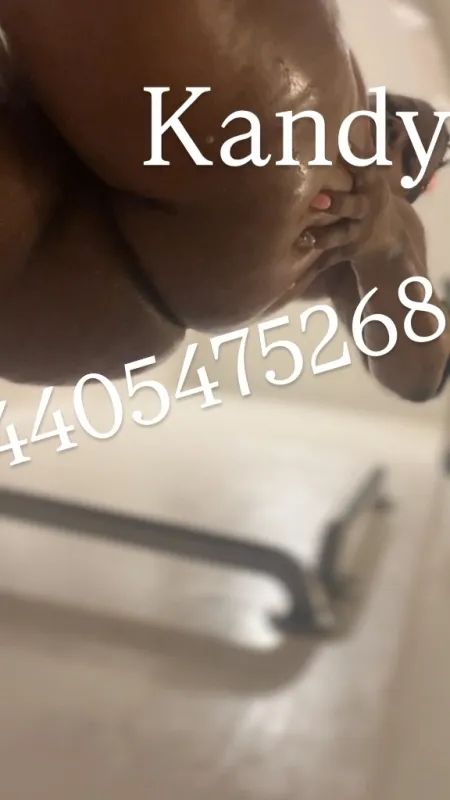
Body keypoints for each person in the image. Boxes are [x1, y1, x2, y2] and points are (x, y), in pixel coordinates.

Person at [0, 0, 448, 401]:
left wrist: (387, 249)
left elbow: (419, 375)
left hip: (109, 279)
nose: (395, 133)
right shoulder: (336, 108)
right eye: (394, 113)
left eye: (409, 156)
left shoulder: (378, 236)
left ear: (406, 195)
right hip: (115, 252)